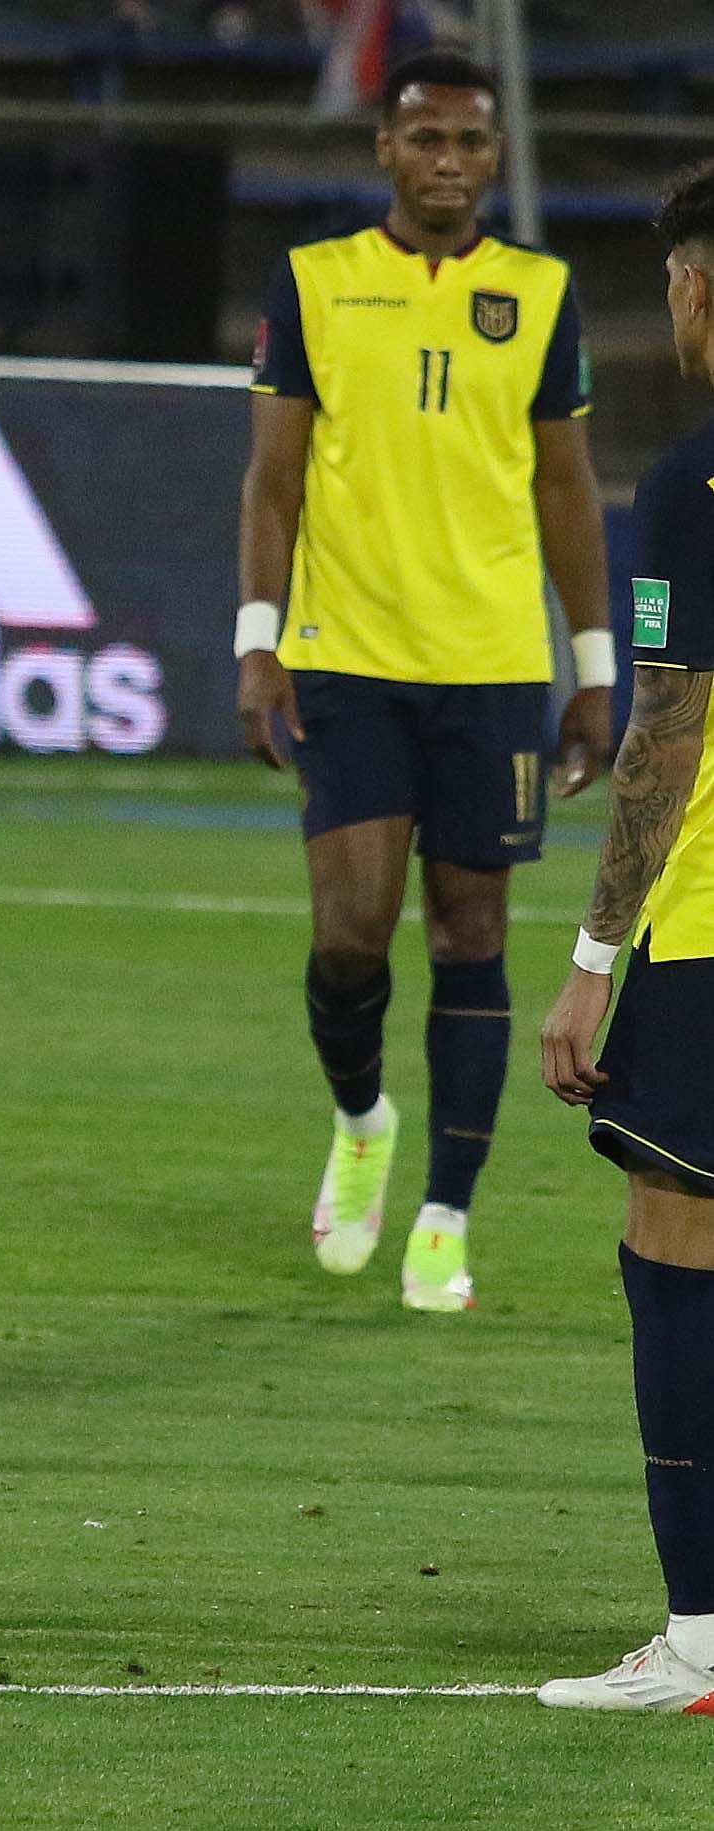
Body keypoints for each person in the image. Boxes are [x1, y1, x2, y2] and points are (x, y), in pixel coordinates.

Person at [236, 49, 612, 1311]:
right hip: (345, 656)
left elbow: (564, 485)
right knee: (349, 935)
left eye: (469, 141)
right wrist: (256, 636)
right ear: (383, 154)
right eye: (425, 138)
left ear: (494, 159)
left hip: (495, 665)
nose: (448, 160)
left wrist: (594, 663)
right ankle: (359, 1121)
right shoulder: (317, 285)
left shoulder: (540, 293)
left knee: (473, 933)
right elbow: (272, 480)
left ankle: (445, 1213)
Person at [533, 160, 714, 1715]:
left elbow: (664, 732)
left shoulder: (692, 481)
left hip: (713, 938)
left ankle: (700, 1640)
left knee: (677, 1247)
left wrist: (594, 957)